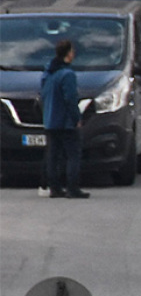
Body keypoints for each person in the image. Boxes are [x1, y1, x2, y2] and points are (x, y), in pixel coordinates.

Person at [40, 39, 88, 198]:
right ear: (68, 54)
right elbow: (70, 99)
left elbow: (43, 95)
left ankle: (54, 188)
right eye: (72, 51)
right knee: (73, 155)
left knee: (53, 156)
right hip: (65, 122)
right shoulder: (68, 74)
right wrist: (76, 118)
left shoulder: (48, 73)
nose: (74, 54)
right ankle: (73, 188)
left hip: (50, 120)